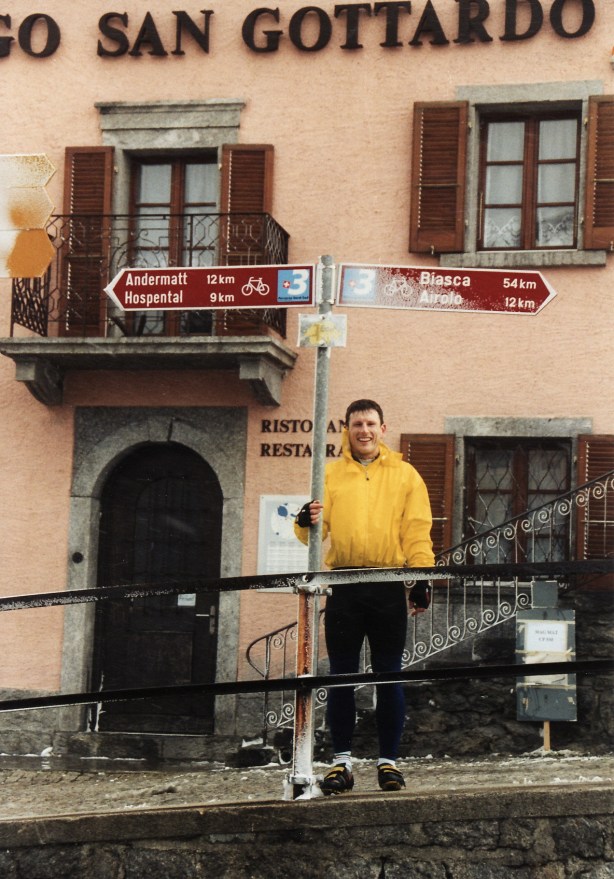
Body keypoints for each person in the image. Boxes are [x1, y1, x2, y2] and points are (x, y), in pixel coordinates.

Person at [294, 399, 435, 794]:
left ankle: (388, 763)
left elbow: (417, 531)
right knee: (341, 676)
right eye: (357, 424)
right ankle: (341, 763)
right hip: (346, 585)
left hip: (388, 584)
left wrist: (421, 578)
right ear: (347, 429)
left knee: (389, 676)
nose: (364, 431)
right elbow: (312, 533)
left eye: (371, 424)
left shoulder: (405, 475)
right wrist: (303, 522)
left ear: (383, 429)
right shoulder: (331, 475)